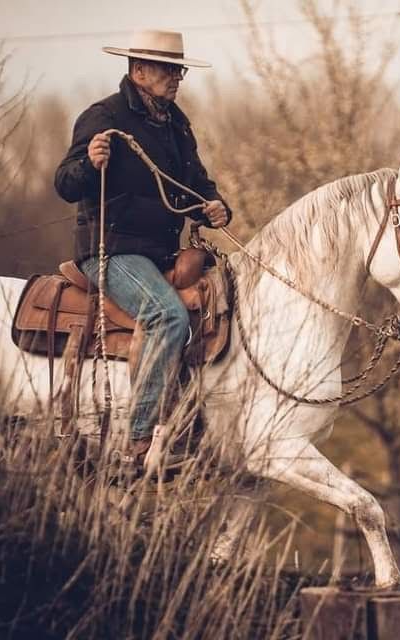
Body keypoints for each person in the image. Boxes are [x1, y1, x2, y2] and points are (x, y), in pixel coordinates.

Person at [54, 29, 230, 464]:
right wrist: (89, 165)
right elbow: (65, 183)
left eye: (179, 70)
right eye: (170, 70)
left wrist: (215, 206)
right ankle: (137, 440)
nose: (177, 79)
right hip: (112, 251)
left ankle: (190, 427)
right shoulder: (103, 117)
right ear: (139, 71)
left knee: (220, 304)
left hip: (160, 252)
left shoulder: (176, 124)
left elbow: (194, 185)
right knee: (167, 315)